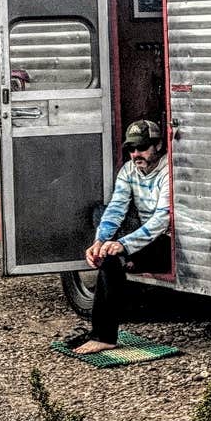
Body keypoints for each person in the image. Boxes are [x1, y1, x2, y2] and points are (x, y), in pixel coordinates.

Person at [71, 118, 171, 354]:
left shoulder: (169, 171)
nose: (136, 154)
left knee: (112, 259)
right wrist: (100, 242)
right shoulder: (129, 170)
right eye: (132, 149)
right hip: (141, 232)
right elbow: (116, 208)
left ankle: (103, 336)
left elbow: (162, 220)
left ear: (157, 145)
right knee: (101, 214)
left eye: (142, 147)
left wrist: (123, 245)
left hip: (165, 239)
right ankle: (117, 257)